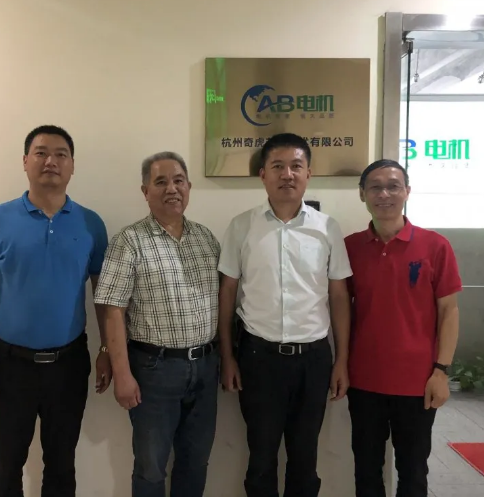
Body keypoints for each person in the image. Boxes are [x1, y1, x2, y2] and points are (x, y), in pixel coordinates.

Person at [0, 125, 111, 497]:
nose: (51, 161)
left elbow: (104, 296)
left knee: (61, 468)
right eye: (41, 152)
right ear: (25, 161)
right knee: (4, 470)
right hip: (9, 366)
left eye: (61, 154)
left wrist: (107, 350)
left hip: (69, 365)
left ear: (72, 165)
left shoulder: (91, 224)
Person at [218, 133, 353, 497]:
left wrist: (341, 361)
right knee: (261, 459)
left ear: (309, 174)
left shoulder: (327, 228)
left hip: (313, 360)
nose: (287, 174)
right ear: (263, 174)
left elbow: (339, 296)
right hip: (258, 358)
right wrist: (228, 357)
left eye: (296, 166)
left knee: (305, 460)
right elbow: (227, 293)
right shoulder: (242, 226)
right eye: (277, 166)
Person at [93, 151, 221, 497]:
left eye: (178, 181)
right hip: (154, 370)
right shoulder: (129, 241)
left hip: (206, 368)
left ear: (189, 186)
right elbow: (113, 310)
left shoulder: (206, 239)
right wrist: (122, 373)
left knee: (196, 462)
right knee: (151, 467)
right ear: (145, 191)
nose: (171, 189)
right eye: (161, 182)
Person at [344, 159, 462, 497]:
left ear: (407, 191)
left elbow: (449, 311)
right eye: (375, 187)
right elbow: (339, 308)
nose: (384, 194)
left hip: (417, 383)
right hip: (363, 380)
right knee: (366, 471)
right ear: (362, 194)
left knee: (413, 471)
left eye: (393, 186)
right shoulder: (349, 247)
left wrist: (441, 371)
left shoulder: (435, 246)